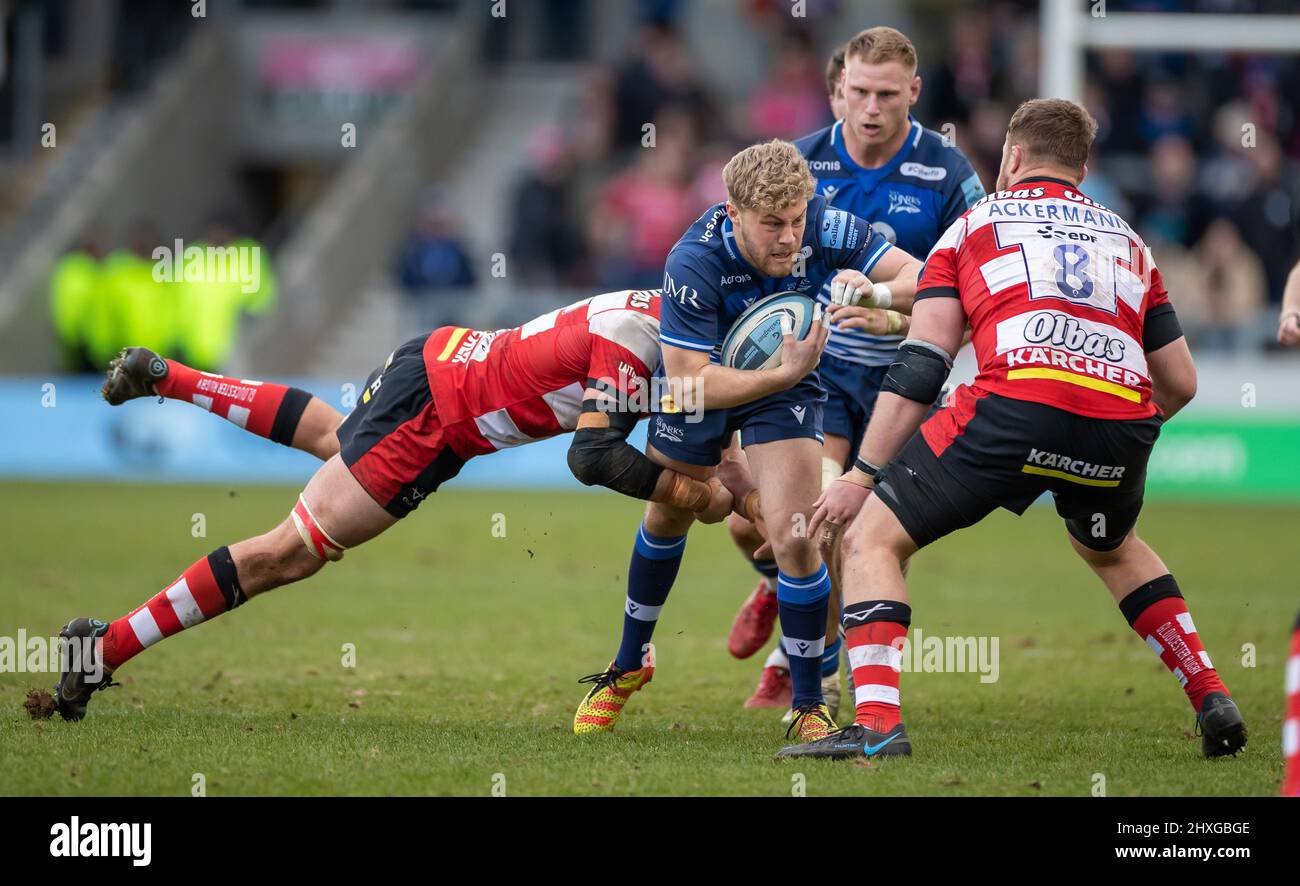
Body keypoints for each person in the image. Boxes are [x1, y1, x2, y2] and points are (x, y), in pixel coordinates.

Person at [774, 98, 1246, 760]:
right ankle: (1213, 697)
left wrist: (862, 474)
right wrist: (1104, 428)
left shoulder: (975, 224)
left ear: (1012, 157)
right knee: (1111, 547)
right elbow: (1181, 382)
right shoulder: (1129, 241)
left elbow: (925, 361)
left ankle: (877, 727)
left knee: (870, 539)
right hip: (1120, 421)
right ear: (1082, 168)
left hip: (1010, 408)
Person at [51, 289, 735, 721]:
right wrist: (695, 494)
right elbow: (592, 456)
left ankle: (171, 376)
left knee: (332, 438)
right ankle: (103, 644)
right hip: (434, 421)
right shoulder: (641, 344)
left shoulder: (662, 308)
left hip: (436, 356)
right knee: (289, 553)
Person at [572, 139, 923, 748]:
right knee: (670, 510)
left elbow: (922, 279)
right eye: (772, 225)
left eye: (795, 221)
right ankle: (629, 664)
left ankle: (810, 703)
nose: (789, 238)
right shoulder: (694, 260)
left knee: (794, 532)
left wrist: (877, 294)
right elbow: (685, 380)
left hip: (784, 383)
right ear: (733, 213)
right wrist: (780, 374)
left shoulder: (825, 226)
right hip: (703, 380)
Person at [725, 28, 987, 720]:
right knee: (757, 526)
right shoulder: (800, 162)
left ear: (915, 93)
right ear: (839, 87)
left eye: (887, 95)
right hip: (819, 373)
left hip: (910, 376)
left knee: (847, 524)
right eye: (859, 92)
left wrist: (898, 320)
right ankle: (787, 586)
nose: (871, 108)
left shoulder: (947, 173)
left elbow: (973, 290)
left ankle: (815, 671)